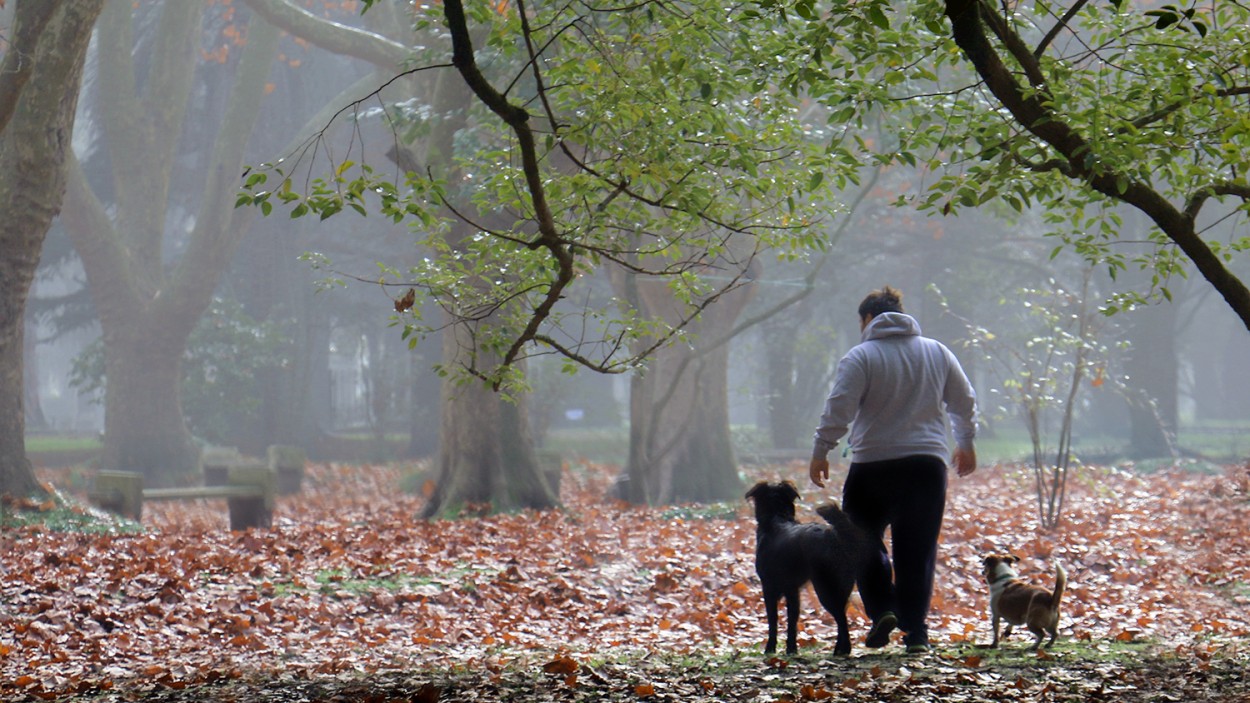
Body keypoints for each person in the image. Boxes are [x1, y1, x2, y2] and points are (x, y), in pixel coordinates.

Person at [808, 286, 977, 654]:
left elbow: (840, 407)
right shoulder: (937, 352)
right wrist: (965, 442)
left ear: (867, 319)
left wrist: (822, 449)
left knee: (859, 540)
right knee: (916, 551)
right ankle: (916, 633)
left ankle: (883, 608)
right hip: (926, 466)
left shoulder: (861, 356)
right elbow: (963, 402)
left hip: (873, 467)